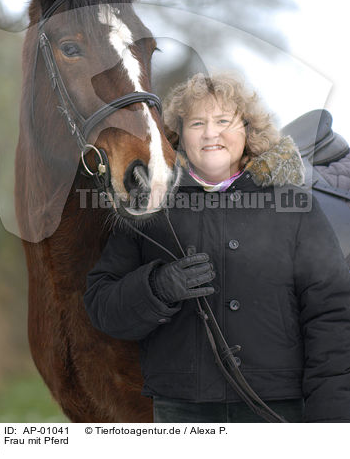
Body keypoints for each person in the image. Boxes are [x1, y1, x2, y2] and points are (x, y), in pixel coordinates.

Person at [84, 72, 350, 423]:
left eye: (224, 121)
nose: (211, 133)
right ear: (177, 136)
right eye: (197, 123)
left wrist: (330, 424)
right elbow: (102, 306)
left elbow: (332, 317)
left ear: (248, 130)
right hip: (182, 412)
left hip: (278, 410)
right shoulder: (149, 206)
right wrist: (157, 288)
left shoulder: (294, 205)